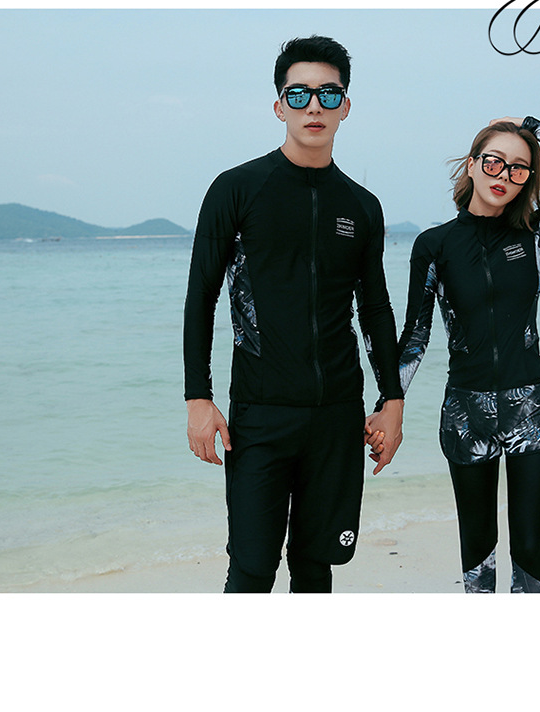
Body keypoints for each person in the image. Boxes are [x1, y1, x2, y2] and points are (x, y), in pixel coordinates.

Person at [183, 36, 404, 594]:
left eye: (328, 94)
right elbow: (201, 296)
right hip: (260, 413)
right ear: (279, 106)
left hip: (337, 415)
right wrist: (198, 398)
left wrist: (393, 400)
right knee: (252, 567)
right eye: (299, 93)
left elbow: (375, 307)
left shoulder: (361, 206)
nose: (314, 106)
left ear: (345, 107)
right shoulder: (237, 190)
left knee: (316, 565)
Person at [371, 116, 540, 593]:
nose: (504, 175)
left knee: (531, 547)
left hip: (532, 408)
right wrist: (389, 404)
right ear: (472, 165)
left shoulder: (533, 234)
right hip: (465, 412)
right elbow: (415, 336)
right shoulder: (434, 245)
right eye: (494, 161)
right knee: (478, 551)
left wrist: (533, 128)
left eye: (519, 169)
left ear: (527, 180)